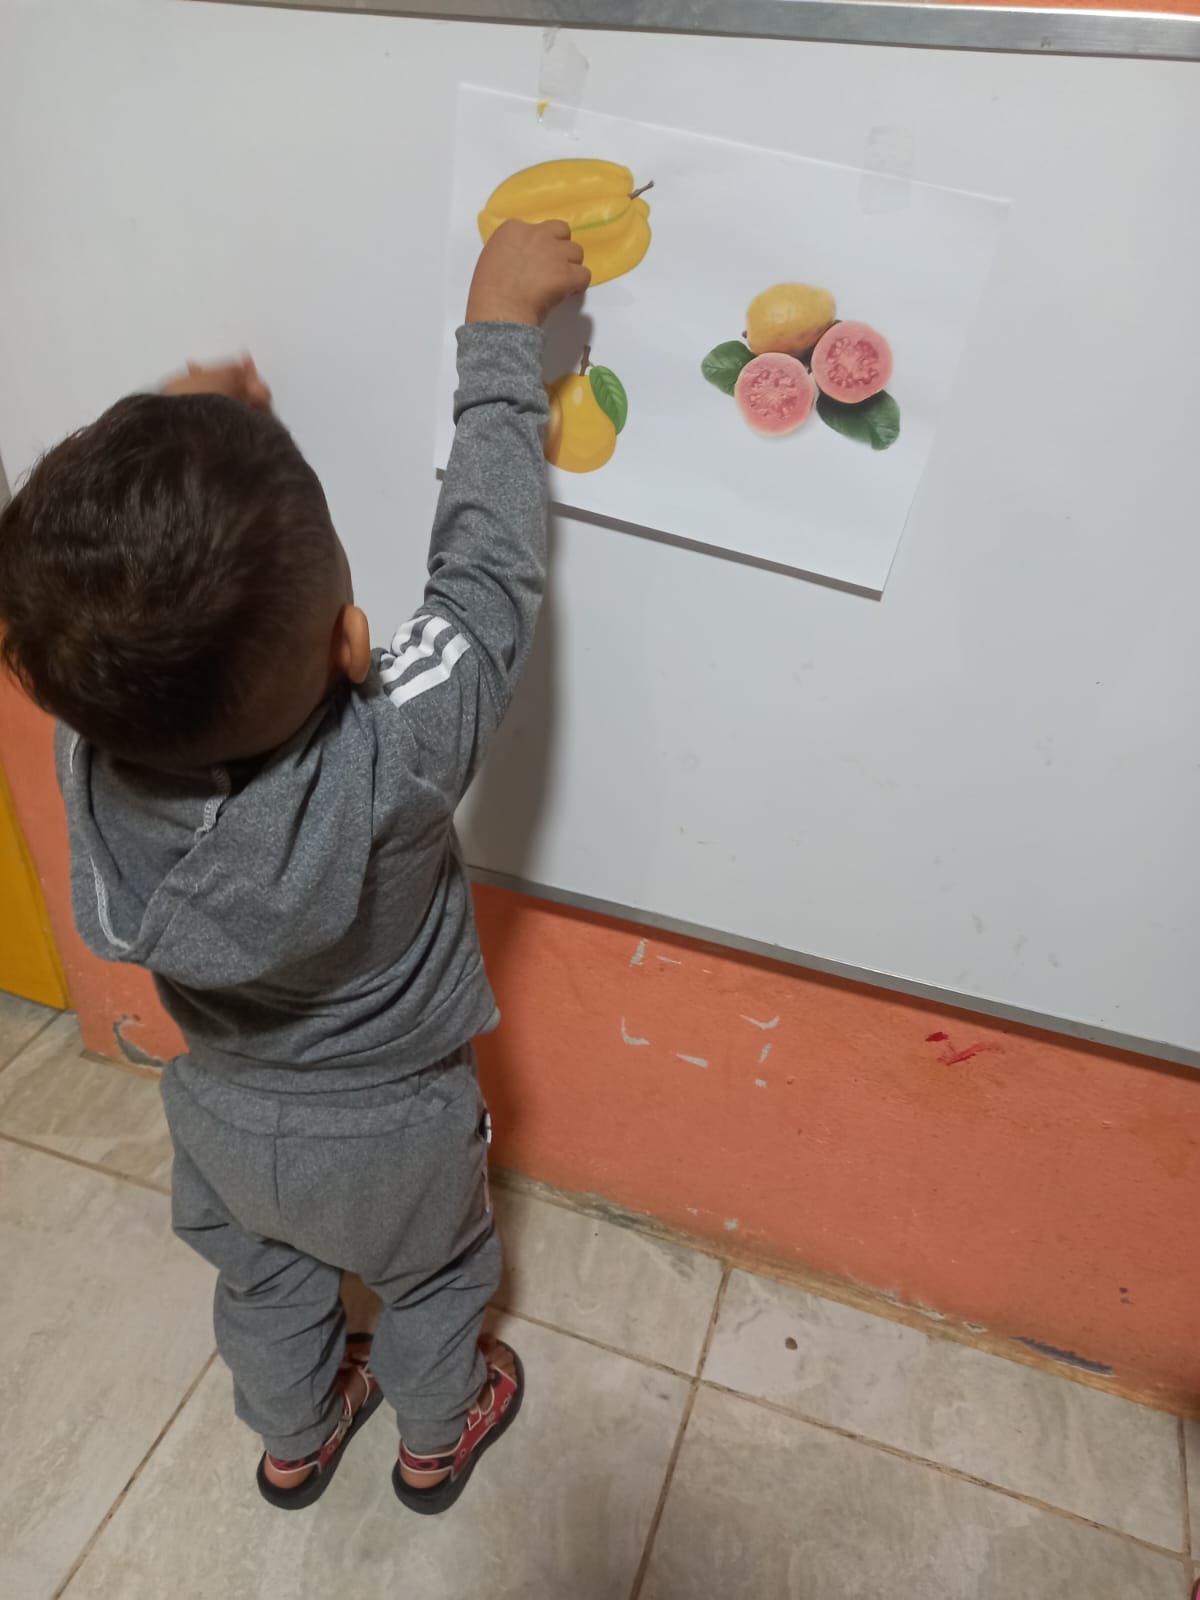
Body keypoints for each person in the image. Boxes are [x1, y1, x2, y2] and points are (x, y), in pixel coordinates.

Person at [0, 219, 590, 1513]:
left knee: (262, 1279)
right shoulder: (398, 749)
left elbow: (76, 614)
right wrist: (500, 337)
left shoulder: (89, 751)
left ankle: (297, 1434)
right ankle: (436, 1433)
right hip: (394, 1128)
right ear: (351, 644)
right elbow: (485, 580)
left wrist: (180, 437)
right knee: (434, 1280)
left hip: (218, 1115)